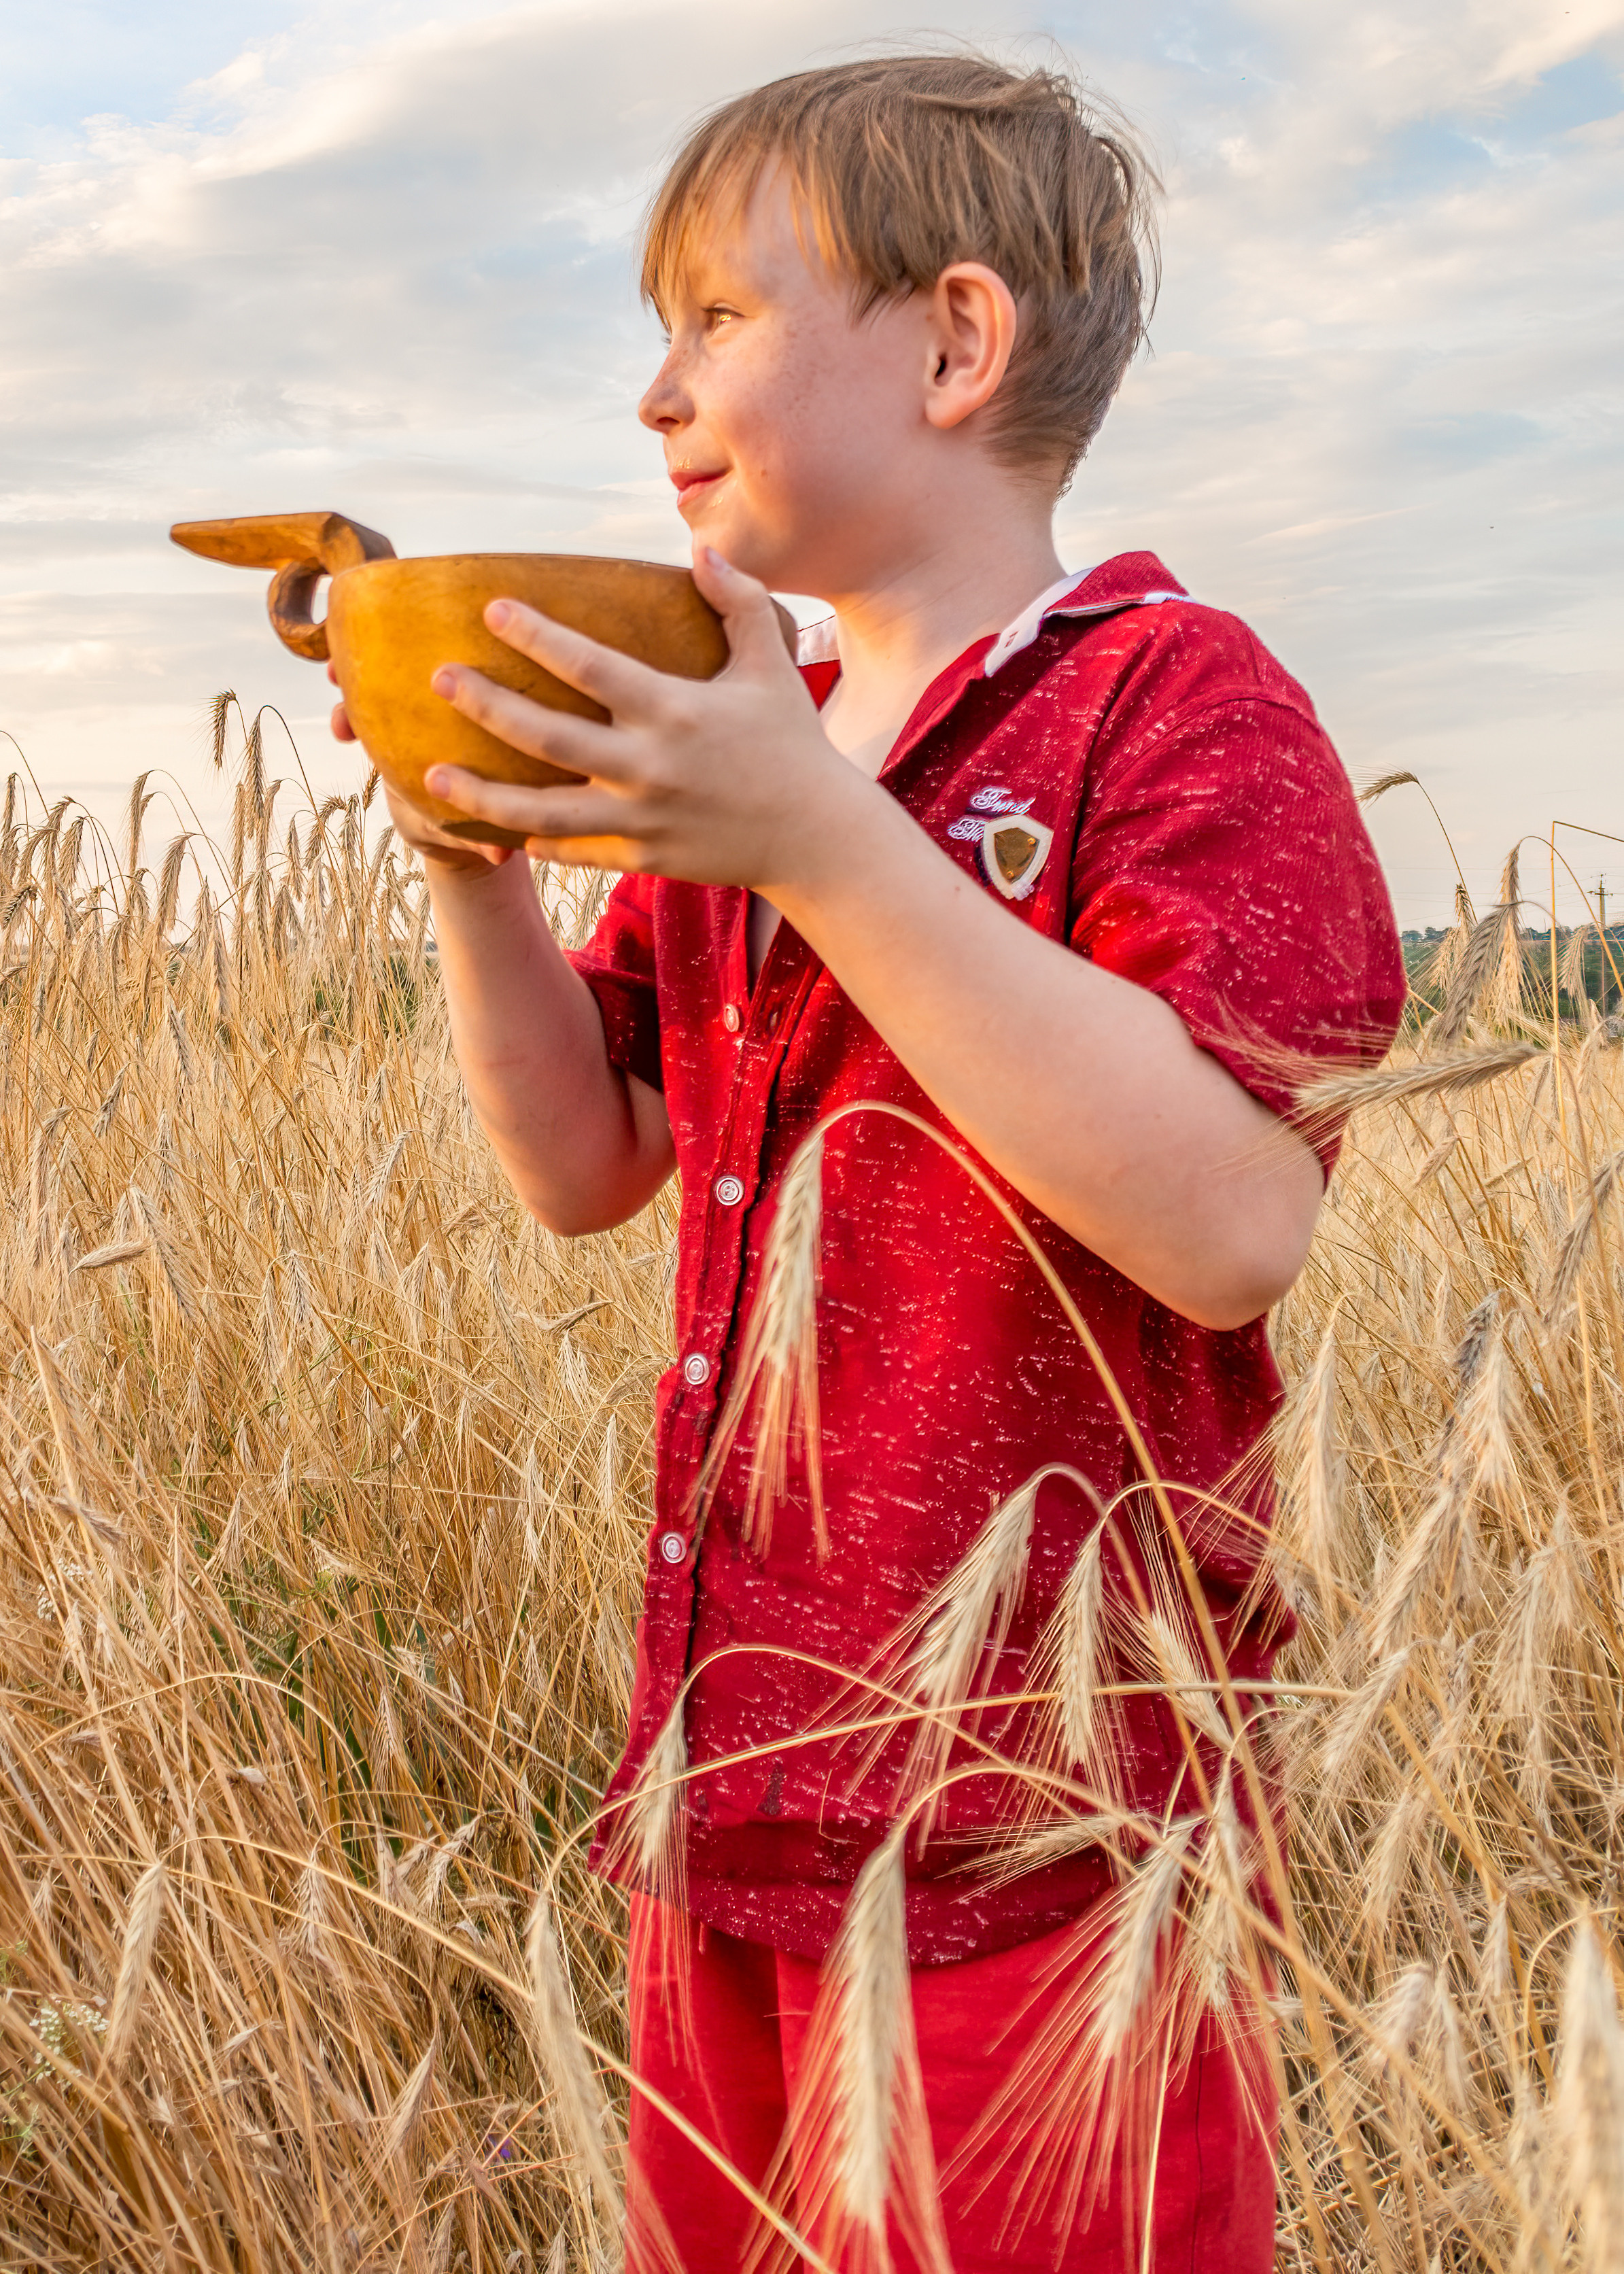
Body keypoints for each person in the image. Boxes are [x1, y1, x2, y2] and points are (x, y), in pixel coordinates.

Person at [334, 51, 1404, 2273]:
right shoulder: (752, 733)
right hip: (733, 1802)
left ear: (955, 341)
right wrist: (467, 856)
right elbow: (589, 1158)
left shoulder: (1170, 706)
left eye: (717, 316)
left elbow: (1226, 1222)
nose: (655, 388)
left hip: (1055, 1847)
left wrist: (818, 840)